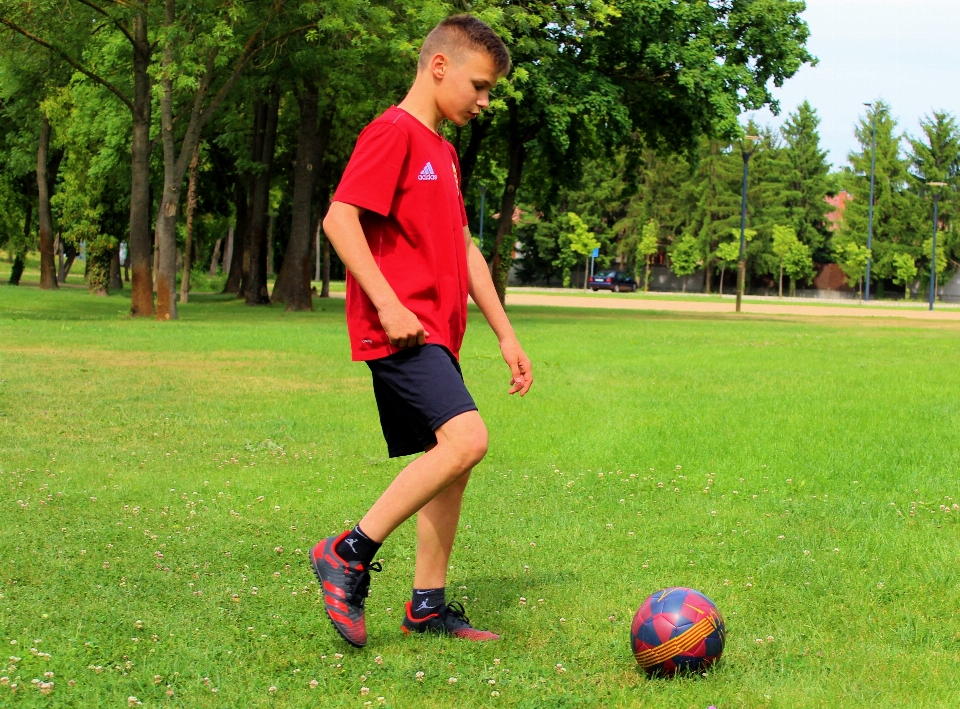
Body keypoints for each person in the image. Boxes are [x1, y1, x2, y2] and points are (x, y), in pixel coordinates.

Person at [310, 14, 532, 648]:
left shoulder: (443, 151)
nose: (485, 101)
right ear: (440, 67)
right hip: (403, 332)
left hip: (438, 331)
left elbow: (463, 248)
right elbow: (340, 220)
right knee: (466, 441)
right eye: (481, 85)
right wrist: (387, 303)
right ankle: (347, 553)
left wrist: (505, 334)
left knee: (451, 463)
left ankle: (427, 606)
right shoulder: (392, 134)